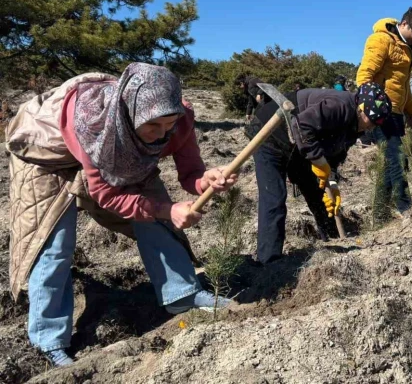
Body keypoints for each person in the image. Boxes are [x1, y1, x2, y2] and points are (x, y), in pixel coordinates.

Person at [6, 63, 238, 367]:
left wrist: (207, 179)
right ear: (129, 115)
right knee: (53, 243)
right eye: (153, 126)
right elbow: (107, 195)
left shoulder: (176, 119)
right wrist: (168, 209)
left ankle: (181, 294)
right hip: (46, 152)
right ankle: (48, 339)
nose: (161, 134)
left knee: (156, 218)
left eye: (168, 125)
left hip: (123, 153)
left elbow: (191, 172)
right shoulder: (93, 123)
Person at [247, 83, 392, 263]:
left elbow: (334, 153)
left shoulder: (355, 126)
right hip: (270, 133)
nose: (372, 128)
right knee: (274, 197)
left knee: (318, 193)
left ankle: (333, 241)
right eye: (373, 122)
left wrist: (330, 181)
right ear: (361, 110)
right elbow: (301, 126)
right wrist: (319, 161)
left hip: (296, 144)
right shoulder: (341, 106)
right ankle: (268, 262)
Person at [355, 7, 412, 214]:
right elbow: (364, 76)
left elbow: (403, 85)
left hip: (397, 111)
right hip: (380, 110)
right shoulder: (381, 40)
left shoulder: (407, 48)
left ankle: (381, 211)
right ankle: (404, 206)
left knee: (390, 163)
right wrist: (370, 109)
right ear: (404, 24)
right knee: (397, 158)